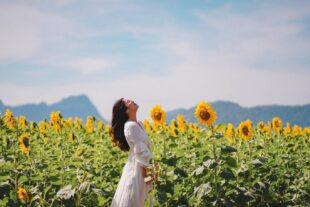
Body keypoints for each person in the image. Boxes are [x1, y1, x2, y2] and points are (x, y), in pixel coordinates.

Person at [110, 97, 154, 207]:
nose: (132, 100)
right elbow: (141, 154)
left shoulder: (139, 124)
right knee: (136, 199)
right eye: (127, 102)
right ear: (126, 110)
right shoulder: (130, 126)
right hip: (139, 170)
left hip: (144, 167)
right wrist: (149, 176)